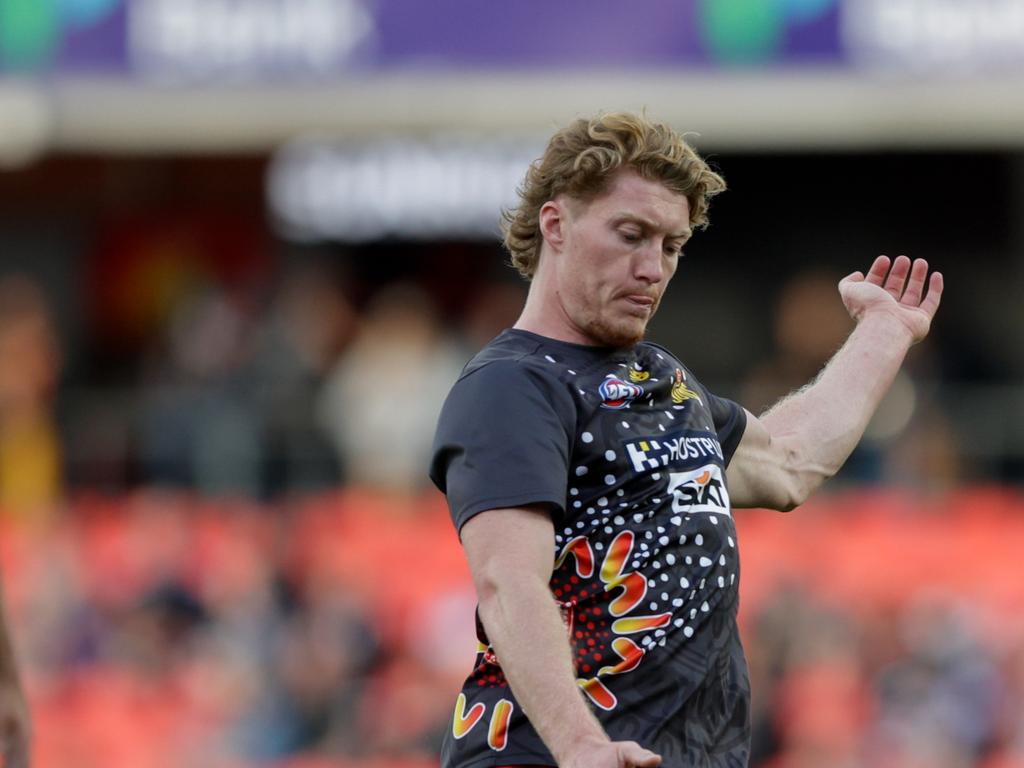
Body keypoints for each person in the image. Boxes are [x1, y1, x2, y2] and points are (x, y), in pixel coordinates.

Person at [429, 112, 943, 768]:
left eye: (671, 246)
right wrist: (581, 745)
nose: (653, 268)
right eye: (631, 234)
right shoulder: (513, 386)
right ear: (555, 226)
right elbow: (508, 582)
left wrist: (884, 331)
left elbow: (789, 463)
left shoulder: (663, 379)